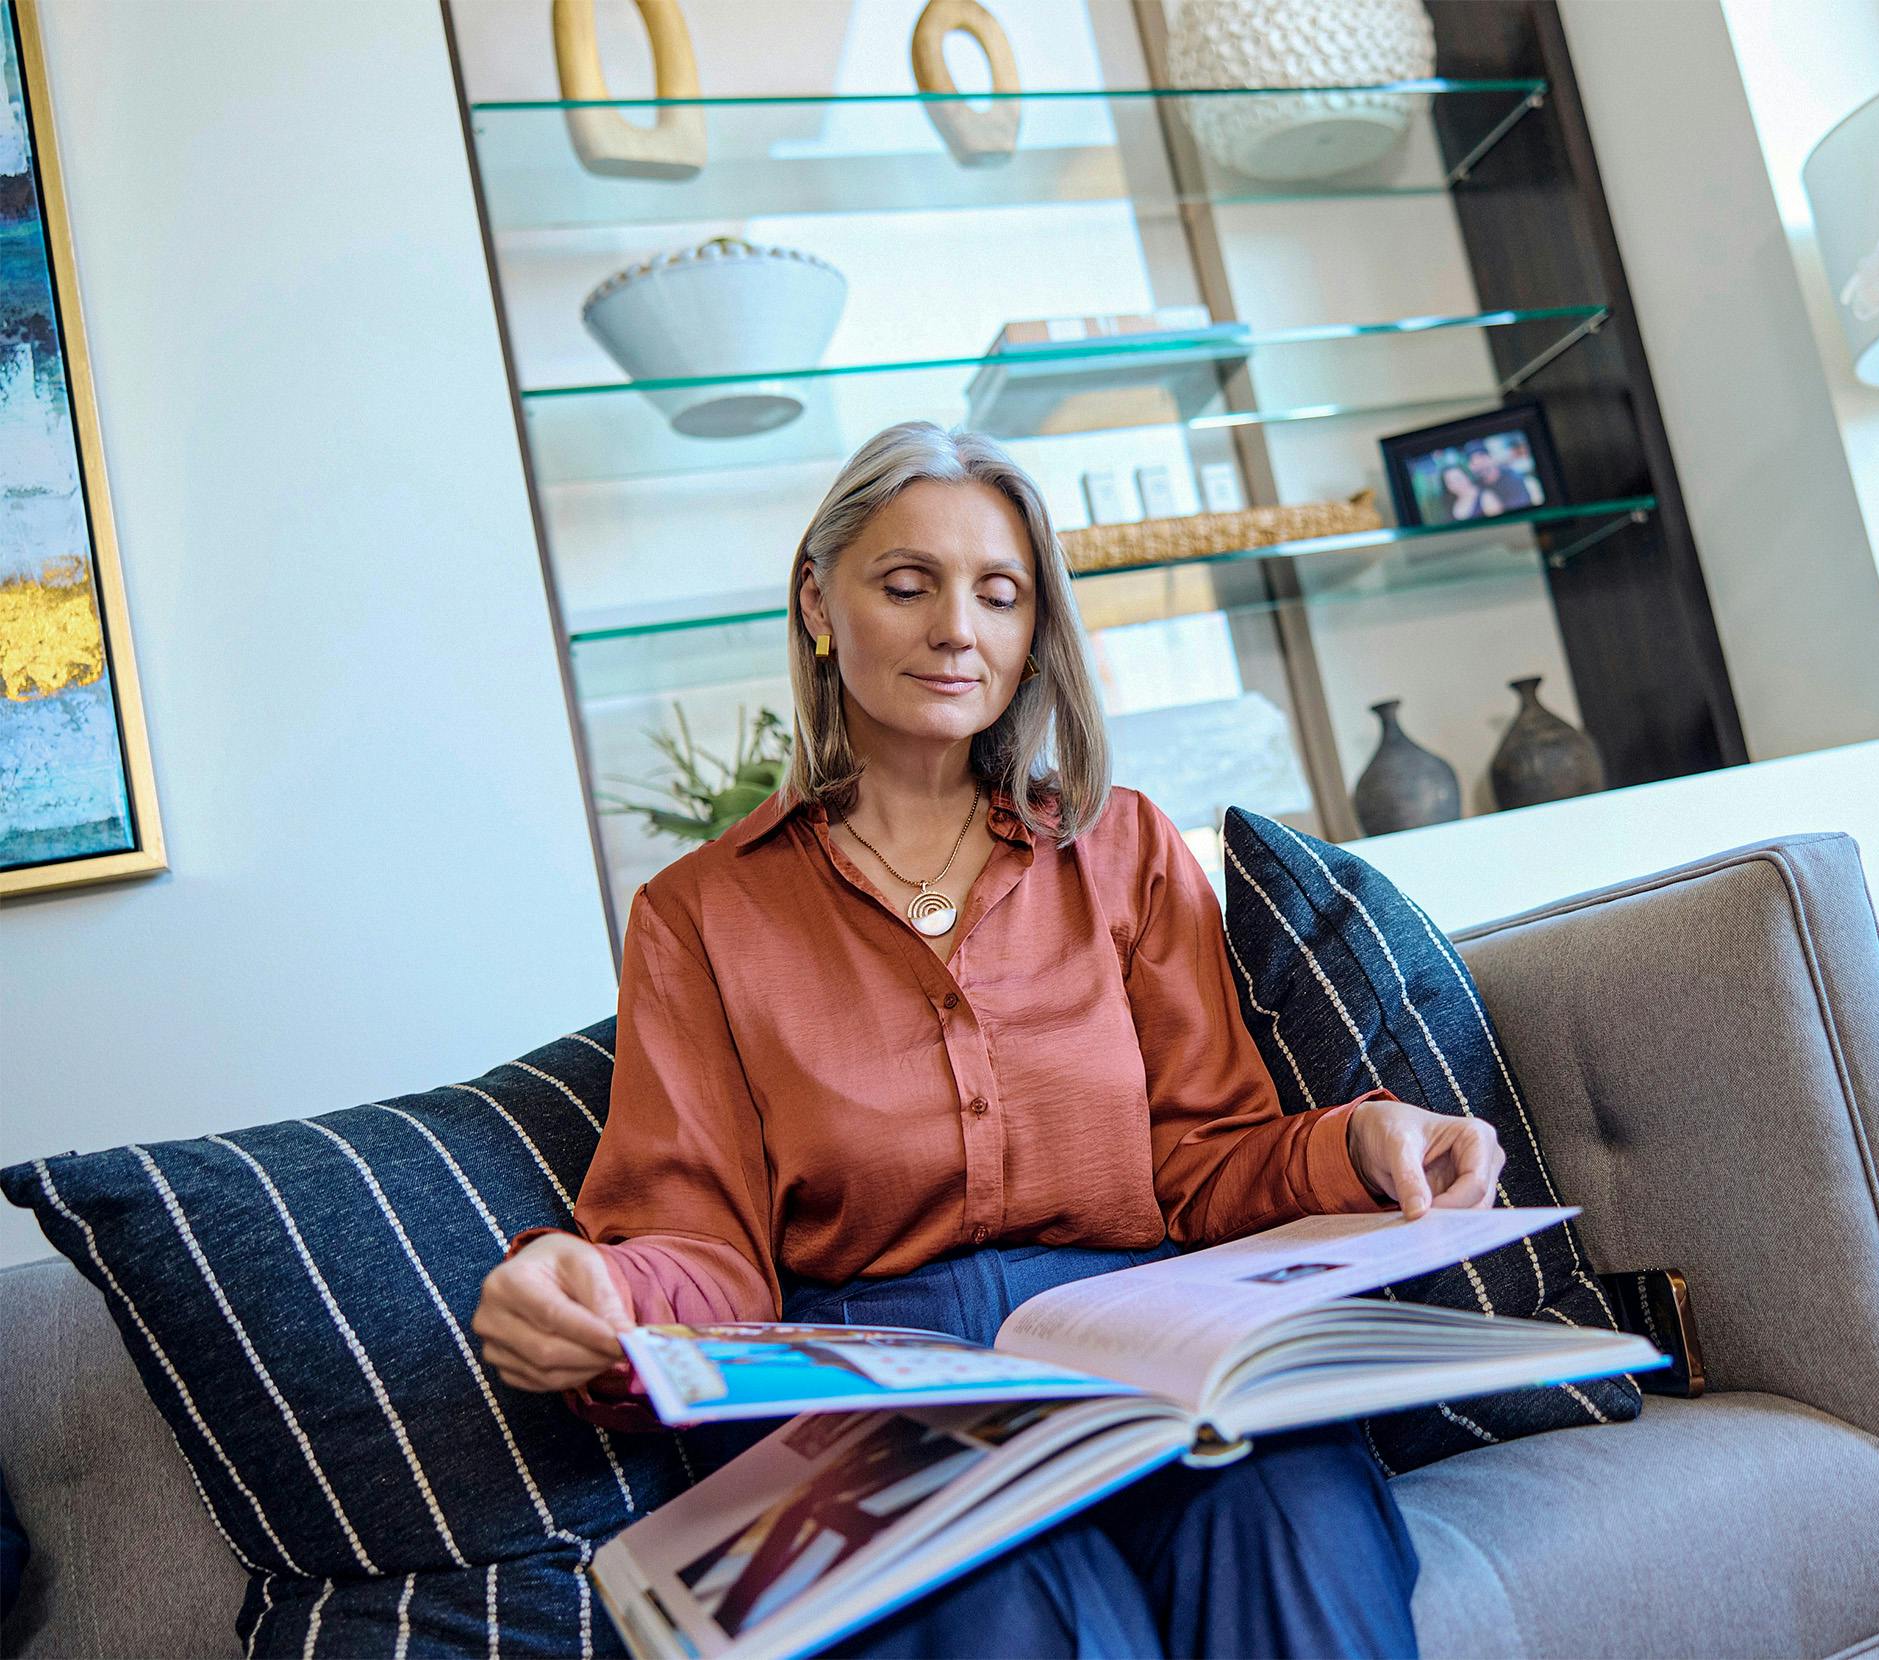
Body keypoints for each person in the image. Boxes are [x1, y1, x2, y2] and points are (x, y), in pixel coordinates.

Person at [474, 421, 1506, 1658]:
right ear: (817, 601)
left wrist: (1362, 1140)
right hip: (885, 1390)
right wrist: (605, 1292)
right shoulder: (700, 914)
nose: (957, 627)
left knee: (1293, 1518)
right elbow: (700, 1242)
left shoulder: (1121, 850)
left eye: (998, 594)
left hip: (1145, 1342)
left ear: (1033, 633)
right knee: (1013, 1604)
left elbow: (1203, 1158)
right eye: (907, 585)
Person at [1464, 441, 1541, 513]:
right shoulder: (1477, 485)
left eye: (1482, 457)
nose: (1479, 464)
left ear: (1491, 458)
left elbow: (1520, 511)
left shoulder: (1512, 478)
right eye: (1473, 461)